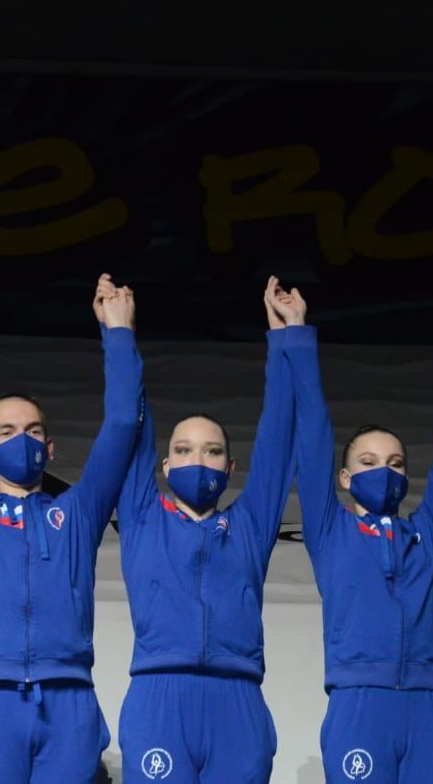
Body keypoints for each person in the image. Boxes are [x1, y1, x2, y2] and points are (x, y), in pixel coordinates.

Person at [0, 278, 142, 783]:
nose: (24, 440)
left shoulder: (77, 514)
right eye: (7, 432)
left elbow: (123, 423)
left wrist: (119, 334)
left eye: (34, 431)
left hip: (69, 703)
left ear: (51, 447)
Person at [283, 287, 433, 784]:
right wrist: (298, 334)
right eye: (367, 463)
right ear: (343, 477)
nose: (384, 471)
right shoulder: (330, 527)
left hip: (431, 709)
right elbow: (313, 431)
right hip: (359, 706)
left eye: (396, 463)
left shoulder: (428, 532)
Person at [114, 276, 295, 784]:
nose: (200, 459)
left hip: (237, 701)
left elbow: (281, 435)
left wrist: (283, 341)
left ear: (231, 467)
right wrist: (121, 336)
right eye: (184, 450)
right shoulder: (143, 515)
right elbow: (131, 420)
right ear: (164, 466)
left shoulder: (250, 524)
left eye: (213, 451)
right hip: (158, 696)